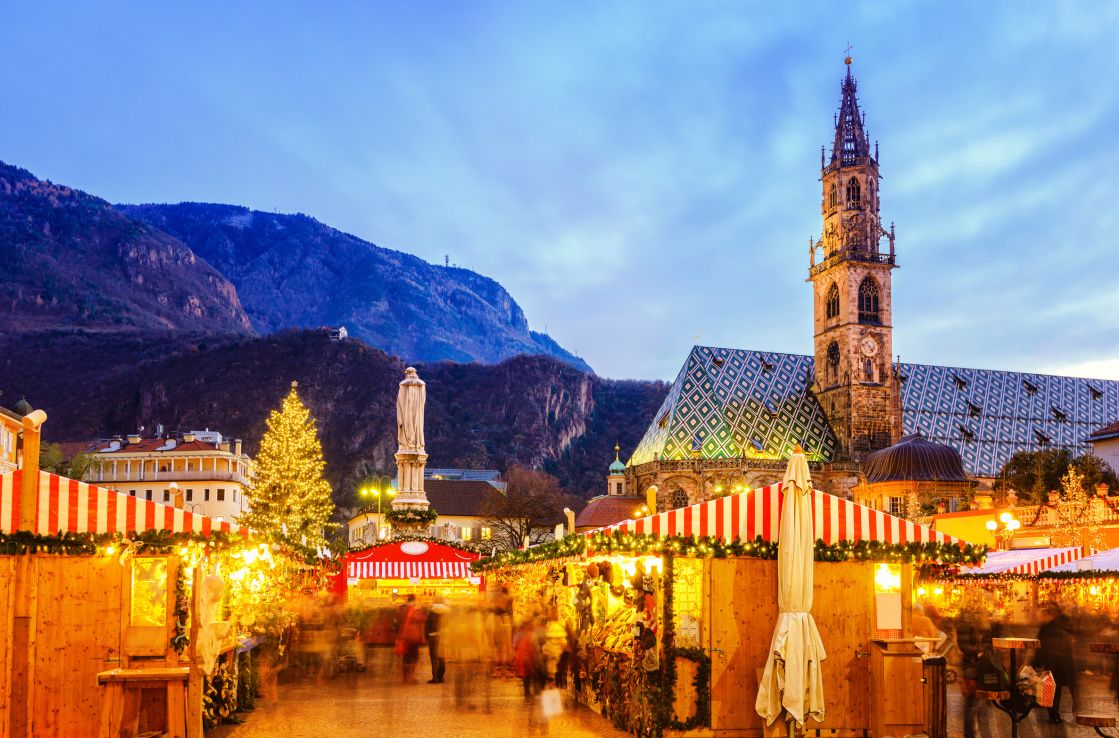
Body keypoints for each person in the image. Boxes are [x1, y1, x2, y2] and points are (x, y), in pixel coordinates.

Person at [1033, 602, 1076, 724]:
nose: (1040, 617)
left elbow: (1042, 646)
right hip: (1059, 661)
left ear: (1049, 615)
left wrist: (1037, 662)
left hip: (1053, 661)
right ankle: (1053, 714)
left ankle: (1053, 714)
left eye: (1043, 614)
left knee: (1052, 688)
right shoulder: (1059, 624)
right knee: (1055, 689)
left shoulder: (1049, 627)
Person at [956, 607, 992, 738]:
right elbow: (964, 646)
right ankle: (971, 734)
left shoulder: (982, 626)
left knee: (978, 704)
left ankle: (977, 733)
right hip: (971, 668)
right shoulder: (966, 625)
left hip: (980, 667)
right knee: (972, 704)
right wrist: (978, 652)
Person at [396, 594, 426, 684]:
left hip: (404, 635)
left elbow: (397, 620)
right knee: (414, 656)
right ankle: (411, 677)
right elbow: (422, 618)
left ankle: (405, 677)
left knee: (406, 657)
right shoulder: (414, 610)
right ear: (414, 600)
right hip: (413, 636)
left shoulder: (401, 609)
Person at [426, 597, 449, 684]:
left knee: (434, 657)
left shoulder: (431, 612)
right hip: (443, 636)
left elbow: (427, 625)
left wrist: (427, 636)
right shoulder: (446, 612)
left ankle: (435, 678)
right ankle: (441, 677)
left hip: (433, 636)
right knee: (442, 657)